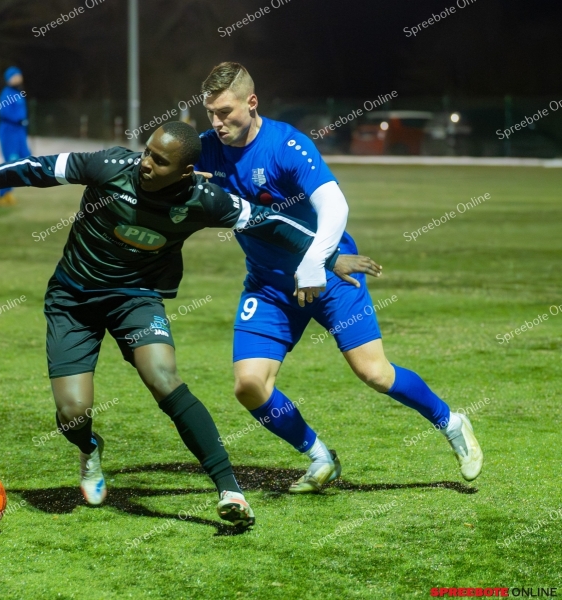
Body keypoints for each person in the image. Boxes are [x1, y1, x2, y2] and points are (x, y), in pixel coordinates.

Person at [0, 121, 362, 527]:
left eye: (160, 160)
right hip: (73, 299)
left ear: (186, 171)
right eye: (147, 152)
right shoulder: (109, 166)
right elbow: (32, 168)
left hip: (136, 299)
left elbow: (269, 223)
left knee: (164, 379)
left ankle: (229, 489)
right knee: (72, 412)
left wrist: (330, 254)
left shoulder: (203, 199)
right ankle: (90, 451)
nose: (146, 163)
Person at [196, 62, 483, 491]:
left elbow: (335, 206)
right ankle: (319, 456)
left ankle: (452, 422)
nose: (217, 123)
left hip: (331, 274)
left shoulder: (287, 145)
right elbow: (157, 165)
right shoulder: (206, 148)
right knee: (249, 386)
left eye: (225, 112)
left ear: (252, 103)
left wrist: (315, 262)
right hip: (269, 286)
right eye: (211, 114)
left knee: (374, 374)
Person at [0, 66, 30, 207]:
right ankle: (2, 195)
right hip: (9, 132)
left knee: (25, 160)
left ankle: (8, 192)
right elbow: (4, 112)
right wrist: (18, 120)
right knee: (11, 163)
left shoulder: (18, 93)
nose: (18, 78)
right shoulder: (7, 94)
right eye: (15, 76)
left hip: (19, 132)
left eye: (19, 75)